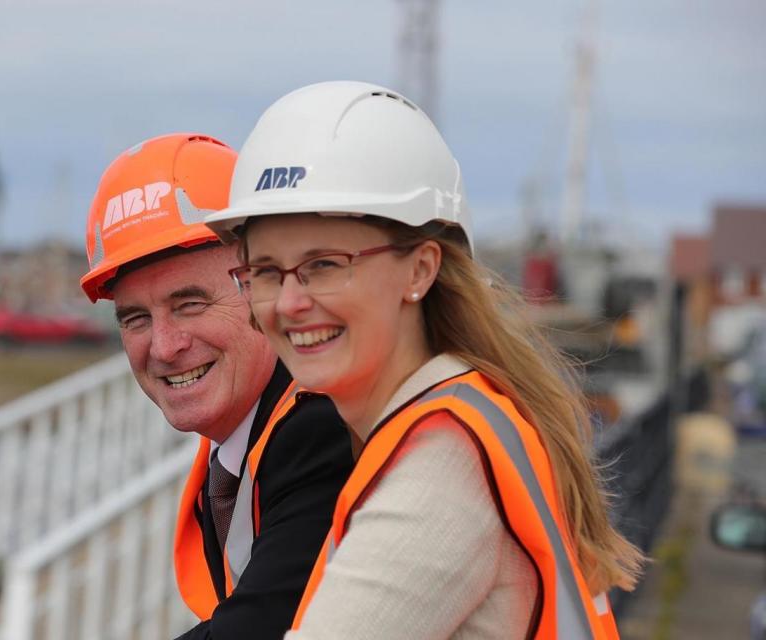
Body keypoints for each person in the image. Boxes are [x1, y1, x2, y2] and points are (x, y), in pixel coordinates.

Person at [204, 82, 645, 639]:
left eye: (324, 264)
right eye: (266, 271)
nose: (290, 302)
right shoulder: (455, 416)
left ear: (420, 270)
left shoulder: (442, 468)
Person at [80, 133, 353, 640]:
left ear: (263, 288)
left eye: (190, 304)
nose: (164, 346)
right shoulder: (246, 440)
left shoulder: (325, 429)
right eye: (136, 319)